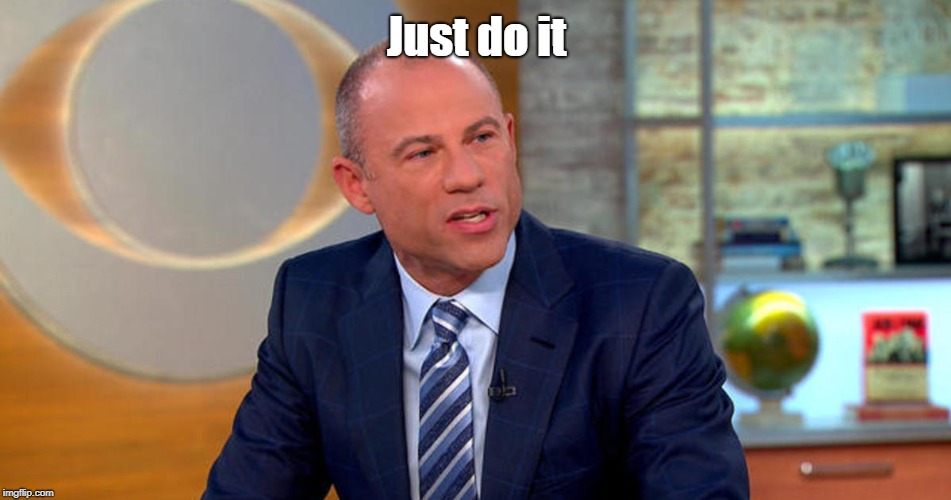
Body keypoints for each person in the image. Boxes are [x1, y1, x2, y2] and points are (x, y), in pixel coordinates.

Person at [203, 41, 749, 499]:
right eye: (423, 153)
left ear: (510, 138)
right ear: (356, 185)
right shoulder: (314, 301)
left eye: (481, 138)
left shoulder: (641, 304)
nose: (466, 176)